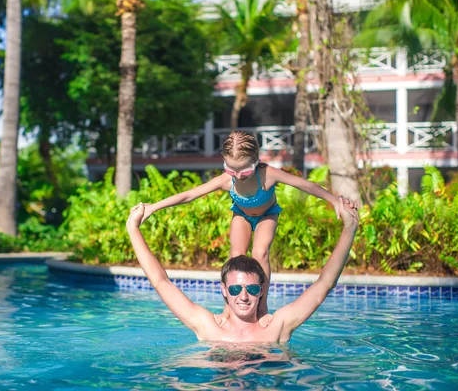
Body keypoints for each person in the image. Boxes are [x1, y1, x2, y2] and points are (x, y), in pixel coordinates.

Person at [139, 131, 345, 320]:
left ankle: (262, 309)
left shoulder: (268, 174)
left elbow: (306, 185)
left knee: (260, 252)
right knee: (235, 257)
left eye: (244, 172)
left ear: (256, 160)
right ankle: (229, 309)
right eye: (230, 169)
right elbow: (189, 195)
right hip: (242, 215)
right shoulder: (227, 180)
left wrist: (334, 200)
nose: (237, 175)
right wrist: (153, 207)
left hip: (267, 214)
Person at [126, 197, 359, 343]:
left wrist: (350, 228)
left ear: (262, 290)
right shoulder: (207, 326)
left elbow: (325, 284)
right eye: (236, 288)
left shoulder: (277, 327)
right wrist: (133, 228)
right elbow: (160, 281)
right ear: (224, 290)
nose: (244, 296)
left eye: (252, 288)